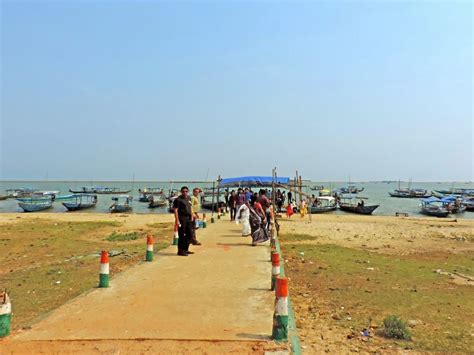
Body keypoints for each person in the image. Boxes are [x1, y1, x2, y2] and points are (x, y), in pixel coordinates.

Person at [173, 186, 194, 256]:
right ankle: (180, 251)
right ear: (181, 192)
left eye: (186, 191)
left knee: (190, 234)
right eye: (183, 191)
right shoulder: (178, 200)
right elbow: (175, 210)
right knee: (181, 235)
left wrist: (192, 215)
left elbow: (190, 207)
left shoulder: (189, 198)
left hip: (188, 218)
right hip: (182, 218)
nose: (185, 193)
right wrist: (177, 220)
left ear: (188, 191)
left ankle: (186, 249)